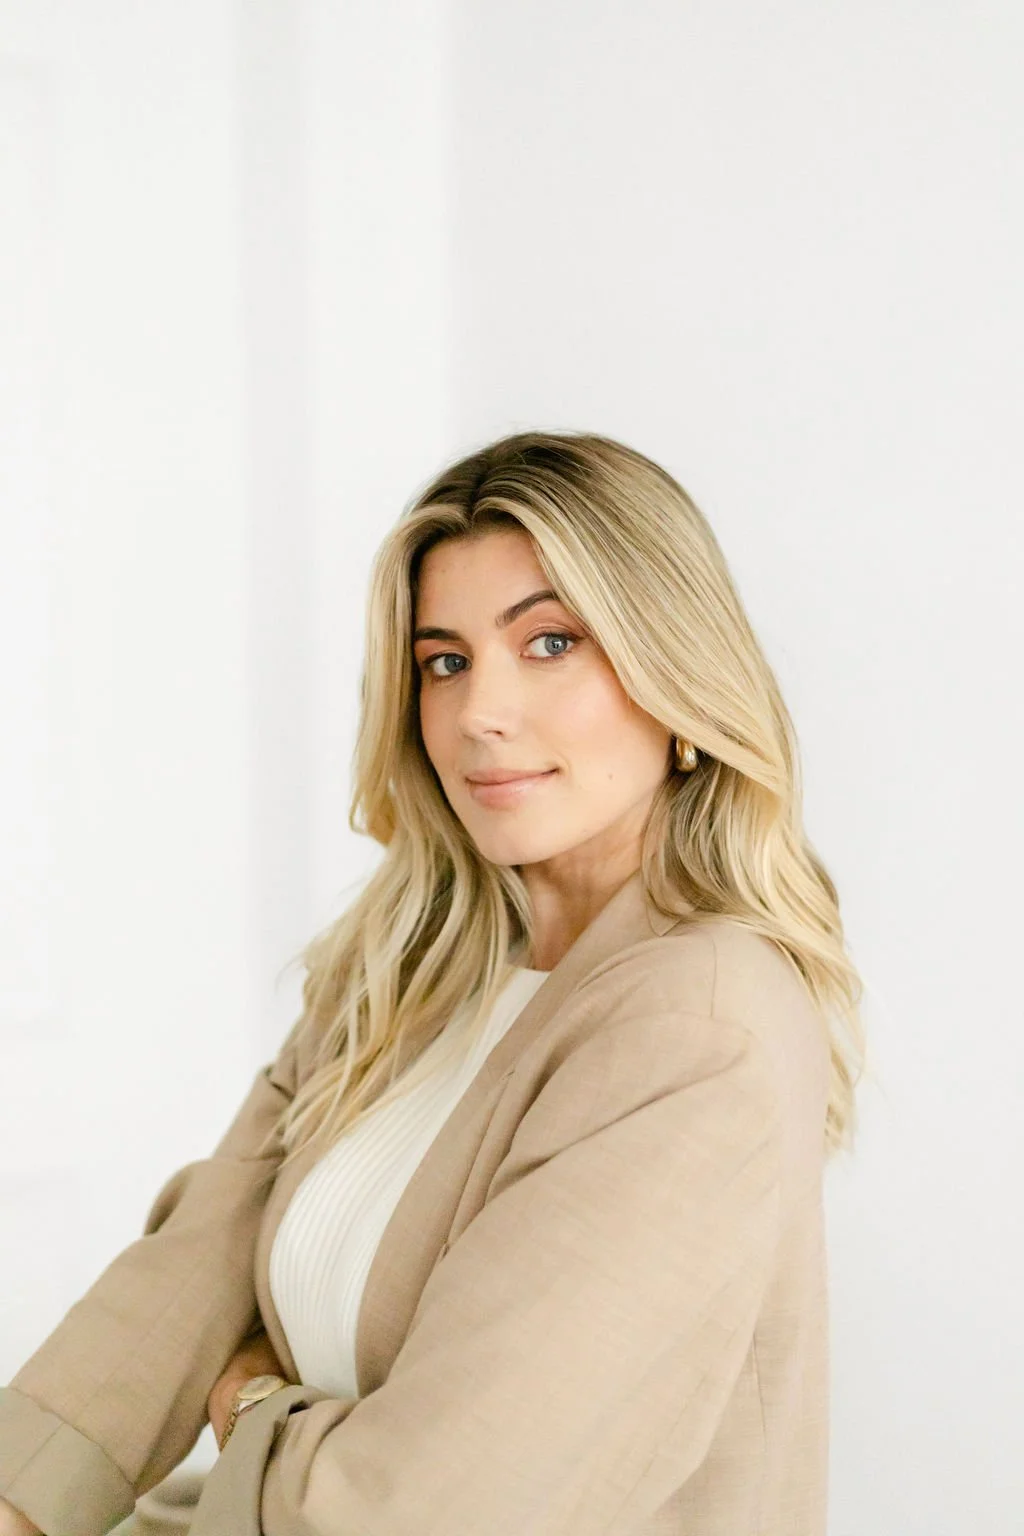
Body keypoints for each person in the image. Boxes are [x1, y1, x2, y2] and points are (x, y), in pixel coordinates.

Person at [0, 430, 866, 1535]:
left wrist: (250, 1407)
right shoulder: (409, 964)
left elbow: (441, 1503)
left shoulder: (698, 1024)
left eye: (550, 642)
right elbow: (201, 1258)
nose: (479, 713)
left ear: (676, 672)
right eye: (444, 661)